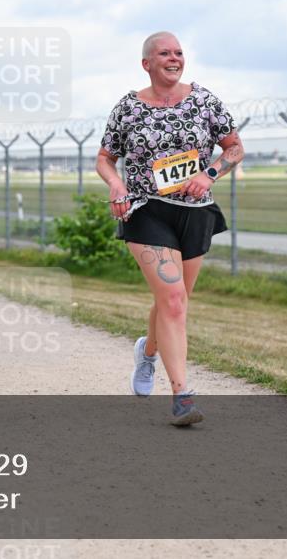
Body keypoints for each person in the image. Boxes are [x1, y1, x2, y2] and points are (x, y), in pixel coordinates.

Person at [96, 31, 244, 426]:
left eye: (179, 52)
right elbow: (105, 158)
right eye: (165, 53)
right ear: (147, 63)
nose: (174, 58)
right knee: (174, 299)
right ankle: (182, 396)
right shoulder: (128, 108)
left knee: (174, 300)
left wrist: (209, 173)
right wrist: (116, 184)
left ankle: (147, 353)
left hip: (196, 211)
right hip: (147, 209)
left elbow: (234, 148)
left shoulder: (205, 100)